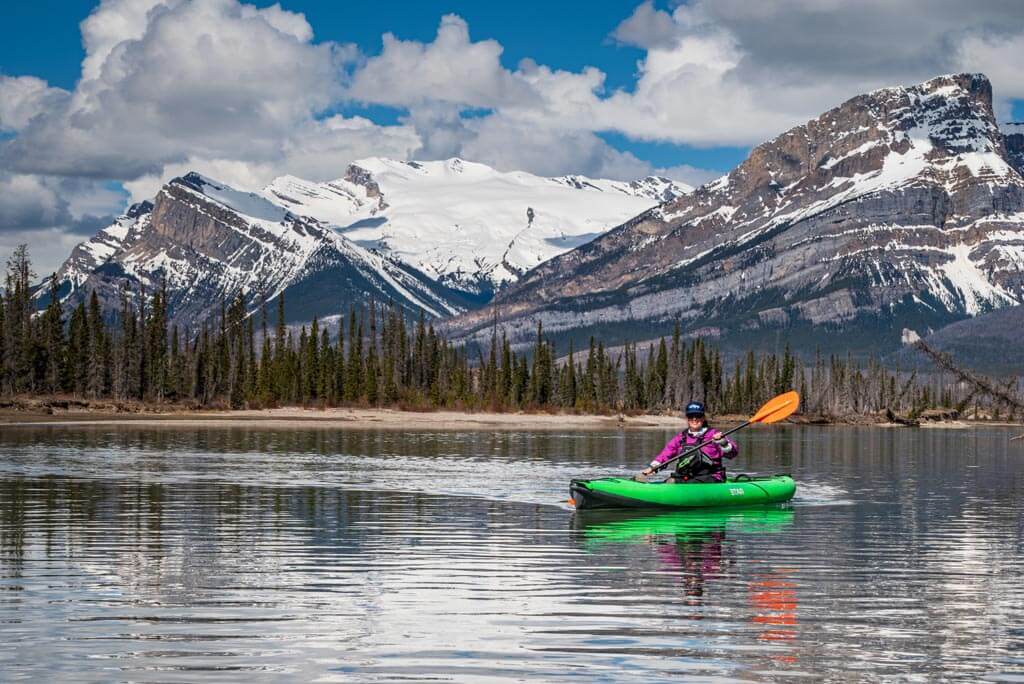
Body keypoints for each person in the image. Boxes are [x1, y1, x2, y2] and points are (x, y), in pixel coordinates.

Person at [637, 401, 738, 483]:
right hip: (686, 477)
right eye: (691, 416)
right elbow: (666, 454)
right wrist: (652, 468)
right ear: (687, 419)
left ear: (703, 418)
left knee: (673, 482)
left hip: (711, 477)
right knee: (671, 481)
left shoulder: (714, 434)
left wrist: (723, 443)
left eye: (698, 416)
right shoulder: (681, 437)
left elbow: (732, 454)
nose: (694, 419)